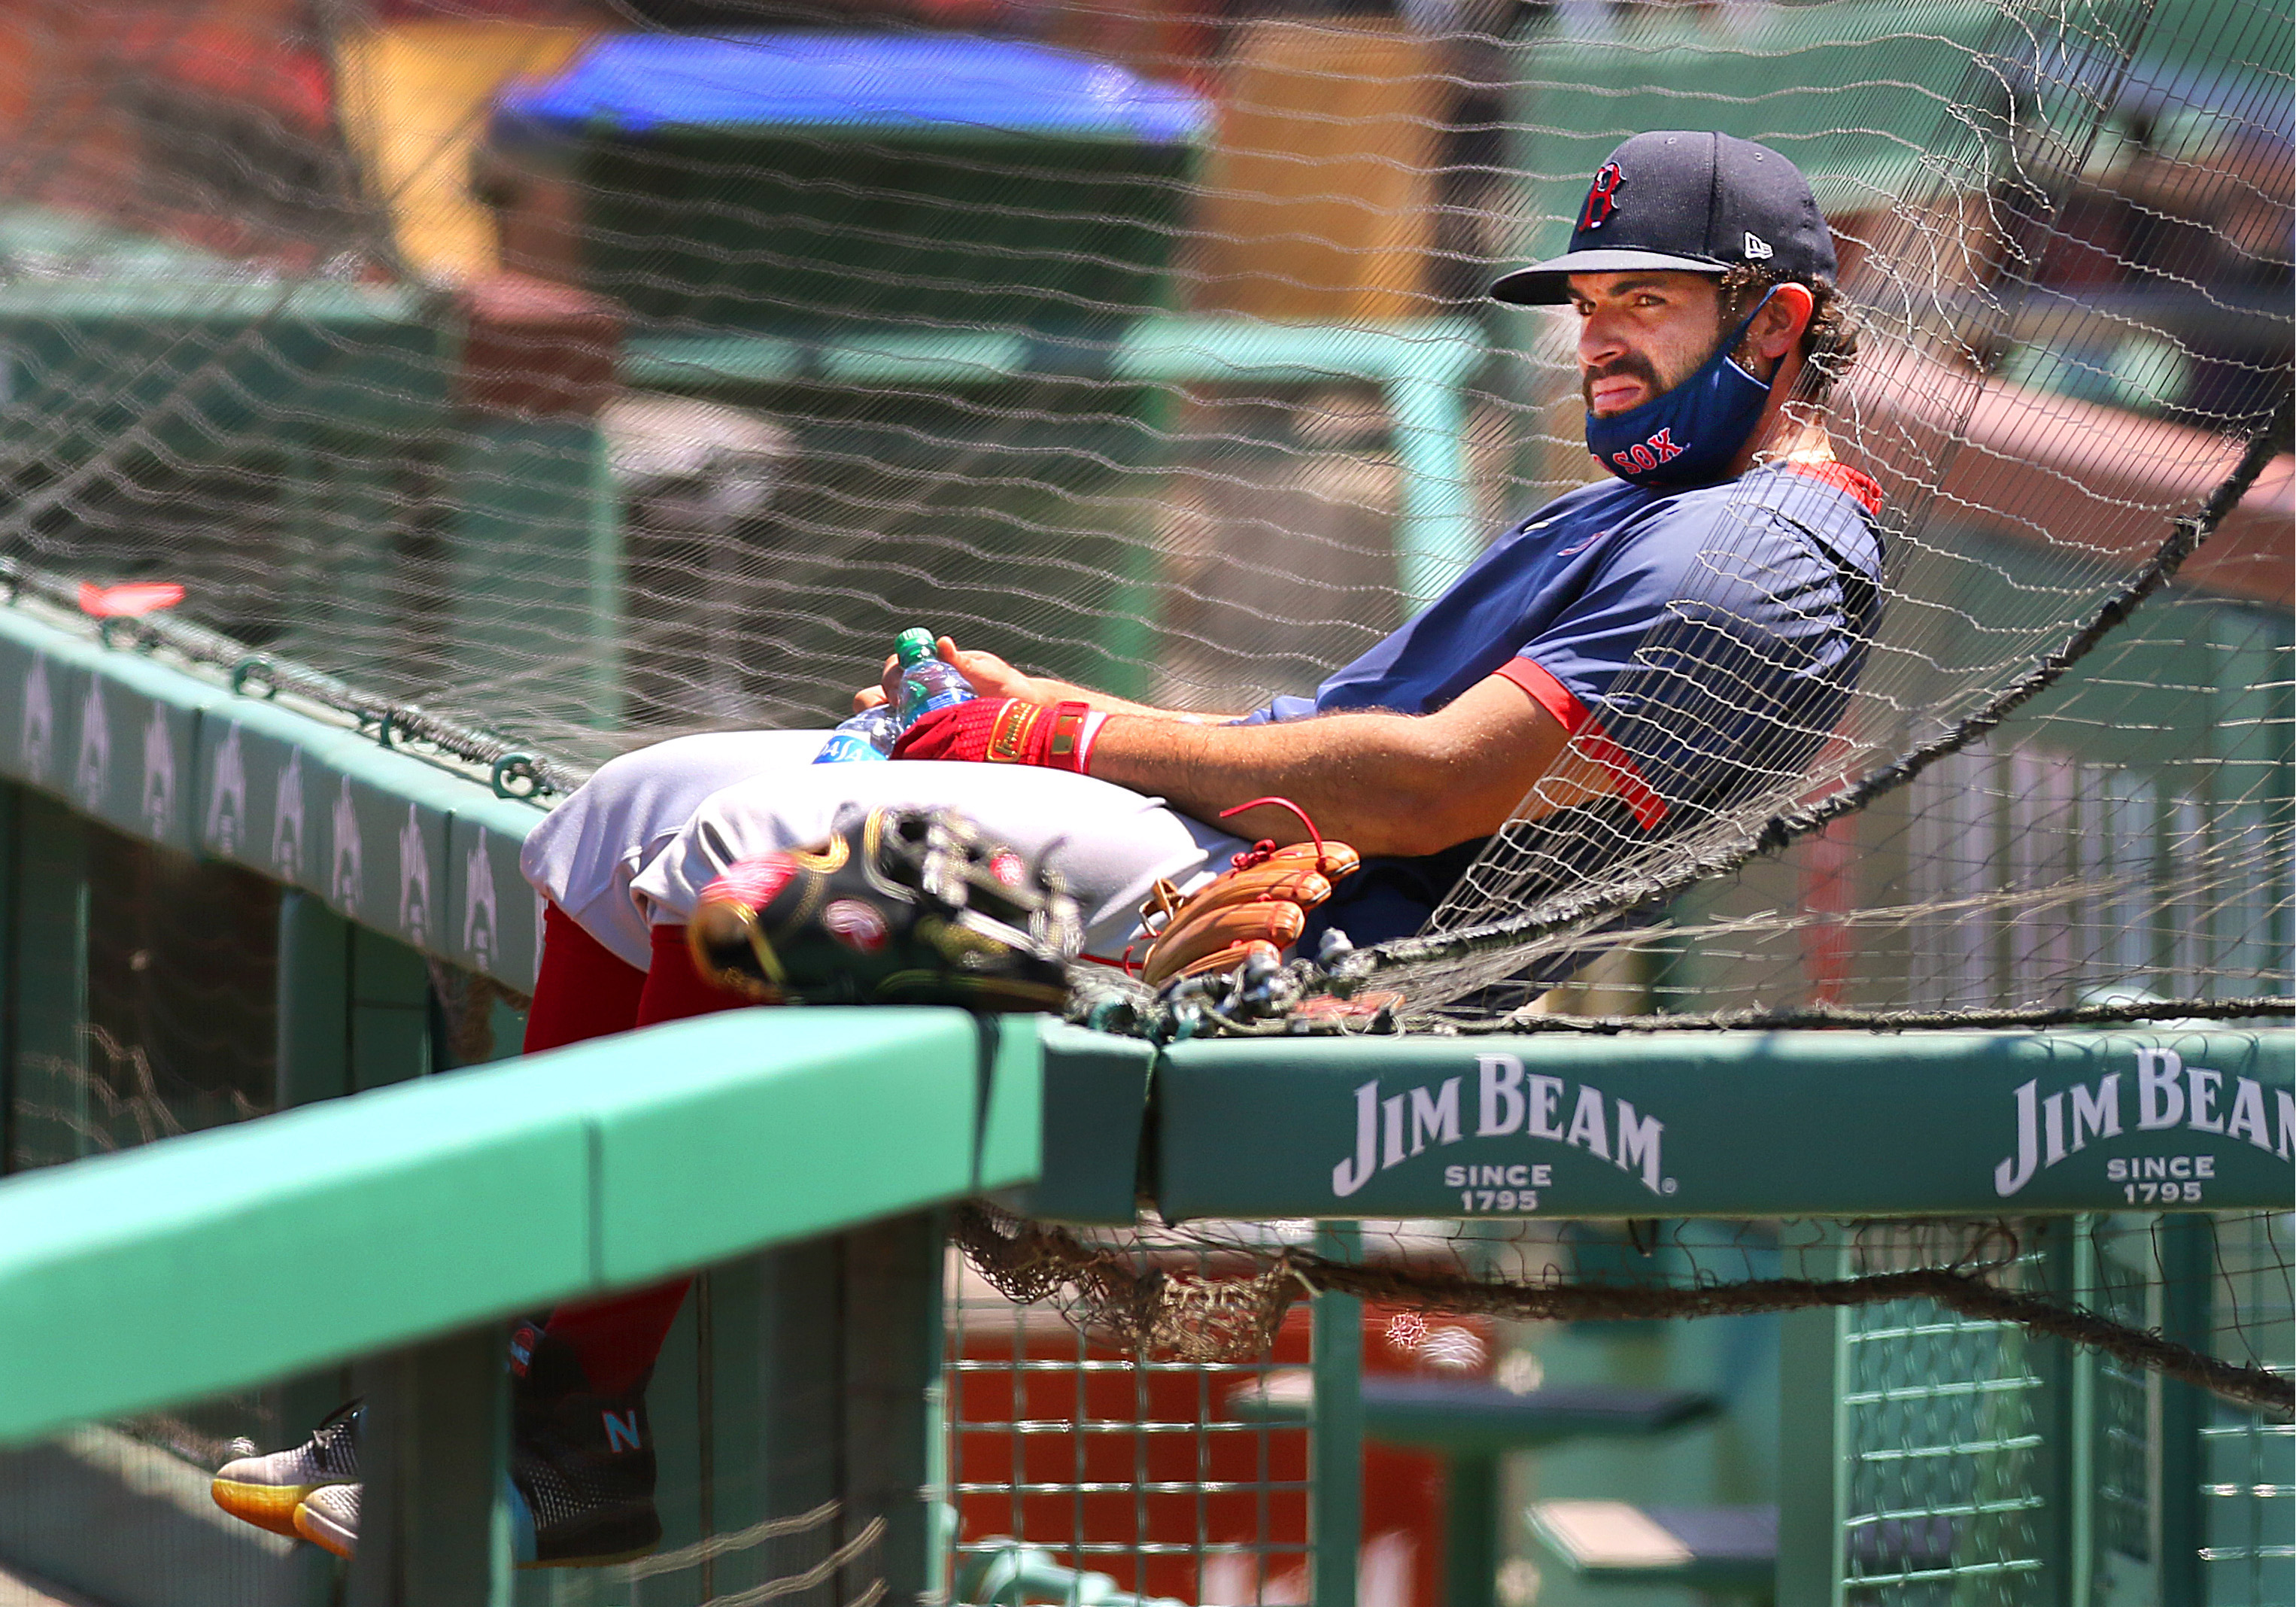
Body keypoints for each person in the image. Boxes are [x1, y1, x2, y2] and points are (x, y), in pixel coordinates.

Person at [212, 129, 1882, 1566]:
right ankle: (537, 1377)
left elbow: (1436, 786)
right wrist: (1046, 712)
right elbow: (1340, 755)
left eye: (1642, 303)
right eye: (1587, 306)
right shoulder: (1647, 504)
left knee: (739, 853)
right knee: (620, 814)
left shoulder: (1766, 551)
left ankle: (560, 1426)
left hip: (1268, 947)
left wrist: (1054, 731)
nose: (1594, 342)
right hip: (1209, 855)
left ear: (1775, 319)